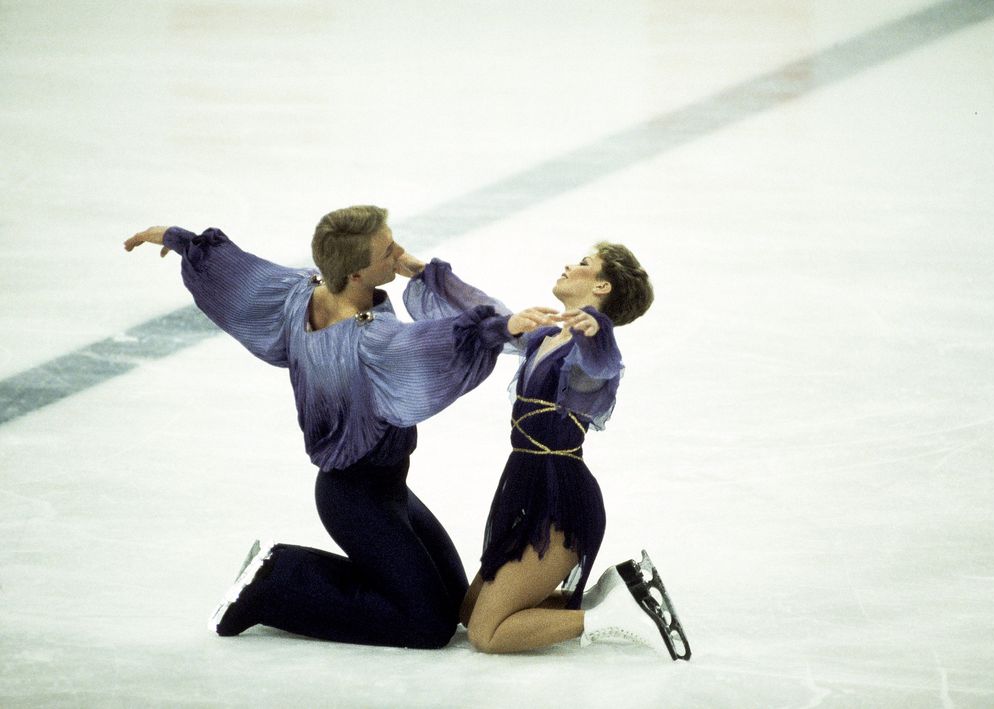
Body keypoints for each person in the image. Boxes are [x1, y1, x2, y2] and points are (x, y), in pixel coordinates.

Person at [123, 205, 557, 649]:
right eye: (388, 251)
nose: (399, 253)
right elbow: (441, 343)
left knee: (453, 603)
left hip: (389, 490)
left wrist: (179, 240)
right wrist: (499, 327)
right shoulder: (370, 342)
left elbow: (239, 272)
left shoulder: (301, 292)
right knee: (428, 626)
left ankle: (293, 576)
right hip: (354, 498)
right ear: (355, 275)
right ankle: (275, 579)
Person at [406, 242, 688, 660]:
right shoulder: (546, 337)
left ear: (602, 285)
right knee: (469, 612)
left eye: (584, 264)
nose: (570, 265)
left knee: (488, 634)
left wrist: (597, 329)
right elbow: (489, 310)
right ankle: (602, 599)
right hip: (524, 489)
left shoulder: (587, 355)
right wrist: (425, 272)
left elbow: (602, 364)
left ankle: (617, 617)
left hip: (560, 501)